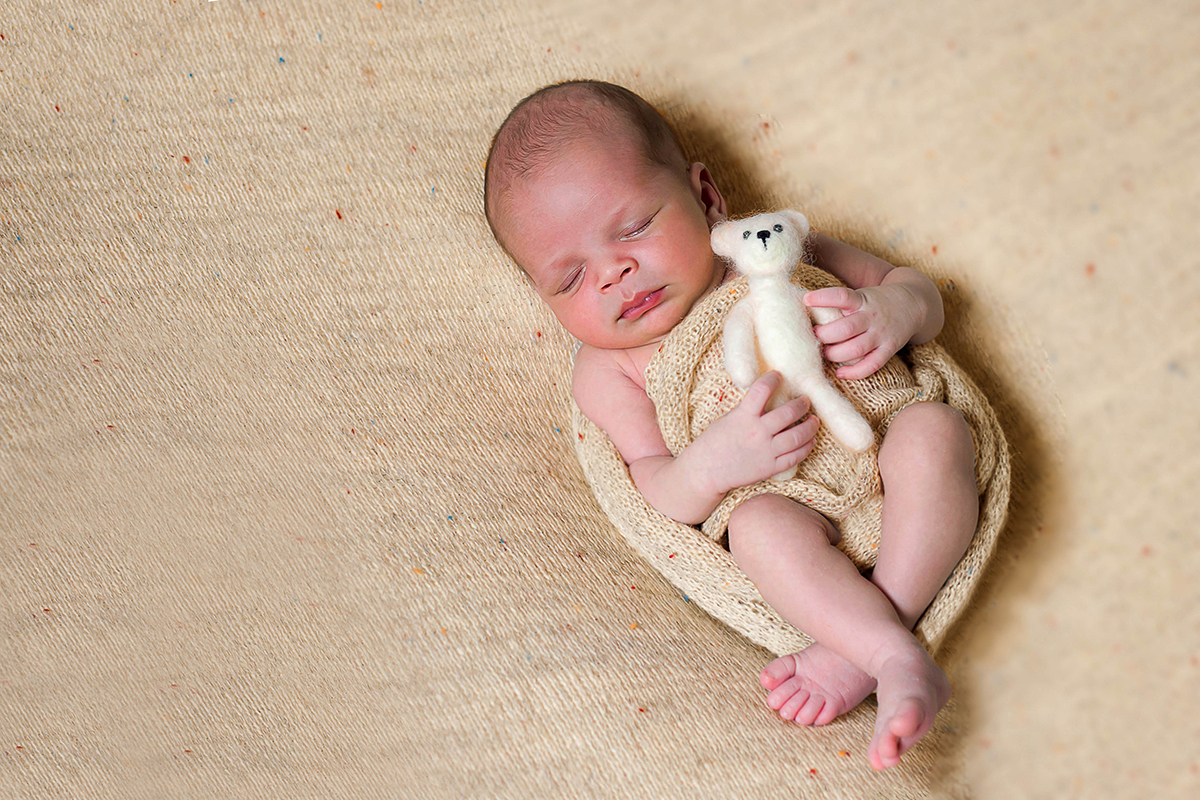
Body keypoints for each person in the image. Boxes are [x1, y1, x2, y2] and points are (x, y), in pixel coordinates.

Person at [483, 80, 980, 771]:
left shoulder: (773, 250)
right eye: (569, 280)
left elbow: (918, 291)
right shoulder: (609, 370)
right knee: (757, 531)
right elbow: (656, 488)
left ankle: (858, 643)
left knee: (938, 432)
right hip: (790, 506)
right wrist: (712, 466)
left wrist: (893, 309)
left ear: (708, 196)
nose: (614, 273)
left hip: (886, 438)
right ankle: (892, 653)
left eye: (633, 229)